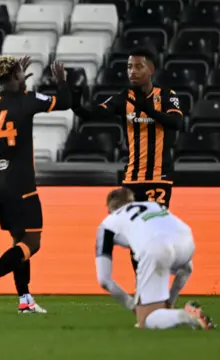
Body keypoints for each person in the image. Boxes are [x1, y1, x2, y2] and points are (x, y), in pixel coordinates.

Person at [0, 56, 71, 314]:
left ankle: (25, 298)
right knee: (33, 243)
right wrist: (62, 83)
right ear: (14, 78)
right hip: (21, 180)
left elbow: (9, 96)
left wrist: (18, 80)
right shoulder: (26, 100)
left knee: (19, 243)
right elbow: (66, 103)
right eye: (21, 75)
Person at [71, 47, 184, 272]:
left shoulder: (168, 95)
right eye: (130, 66)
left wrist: (145, 108)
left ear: (151, 69)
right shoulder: (125, 97)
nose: (132, 71)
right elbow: (91, 114)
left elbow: (175, 123)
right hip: (132, 178)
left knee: (154, 232)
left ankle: (156, 282)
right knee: (134, 235)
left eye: (138, 66)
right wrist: (74, 95)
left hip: (158, 177)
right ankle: (143, 285)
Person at [93, 187, 214, 330]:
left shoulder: (108, 223)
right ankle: (170, 305)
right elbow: (186, 268)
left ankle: (185, 316)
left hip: (156, 249)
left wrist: (133, 305)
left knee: (146, 320)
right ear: (132, 201)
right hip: (187, 242)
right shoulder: (154, 205)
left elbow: (104, 280)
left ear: (110, 209)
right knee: (185, 268)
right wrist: (169, 300)